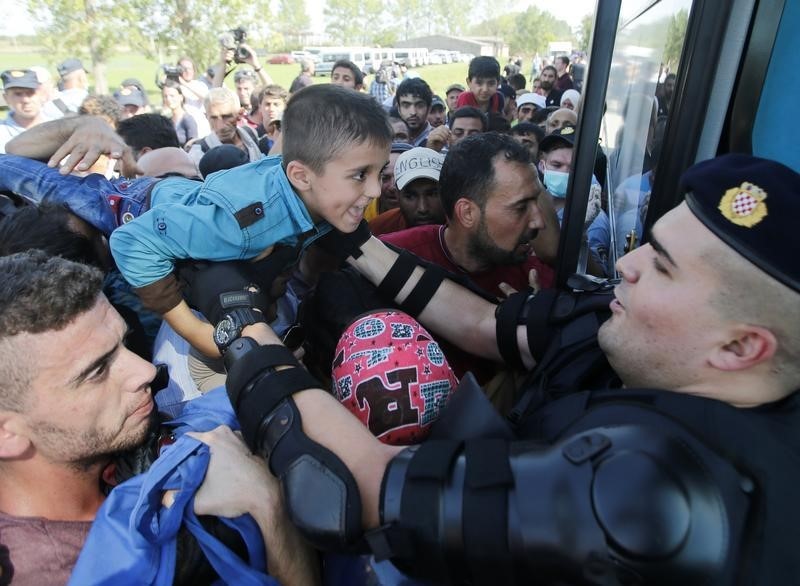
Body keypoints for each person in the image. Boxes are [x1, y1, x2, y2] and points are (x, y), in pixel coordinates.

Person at [183, 153, 800, 584]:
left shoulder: (664, 493)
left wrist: (240, 324)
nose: (630, 265)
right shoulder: (624, 326)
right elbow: (484, 325)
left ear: (742, 348)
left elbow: (351, 493)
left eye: (662, 266)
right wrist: (347, 236)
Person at [0, 250, 317, 585]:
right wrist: (268, 508)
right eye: (95, 371)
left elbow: (209, 412)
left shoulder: (103, 450)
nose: (147, 371)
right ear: (7, 433)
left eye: (124, 345)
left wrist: (263, 367)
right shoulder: (58, 573)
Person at [108, 84, 392, 359]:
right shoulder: (244, 225)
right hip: (133, 213)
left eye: (380, 173)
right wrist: (199, 335)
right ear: (302, 176)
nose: (376, 191)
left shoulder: (320, 195)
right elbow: (130, 242)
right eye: (359, 175)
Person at [369, 146, 445, 236]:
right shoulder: (378, 228)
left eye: (432, 194)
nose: (422, 208)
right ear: (397, 194)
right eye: (410, 196)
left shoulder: (463, 227)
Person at [188, 87, 262, 166]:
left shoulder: (251, 133)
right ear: (206, 117)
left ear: (240, 114)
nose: (221, 126)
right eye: (214, 118)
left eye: (226, 116)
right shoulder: (199, 153)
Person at [0, 69, 47, 153]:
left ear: (40, 94)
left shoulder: (59, 126)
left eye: (30, 93)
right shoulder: (2, 133)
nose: (26, 100)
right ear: (6, 98)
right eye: (18, 94)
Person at [395, 77, 434, 147]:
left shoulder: (439, 142)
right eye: (406, 105)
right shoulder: (389, 142)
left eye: (420, 105)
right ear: (399, 108)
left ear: (429, 109)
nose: (413, 112)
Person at [161, 80, 198, 147]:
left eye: (172, 96)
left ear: (181, 97)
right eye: (165, 96)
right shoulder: (167, 121)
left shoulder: (187, 119)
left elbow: (194, 143)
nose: (168, 99)